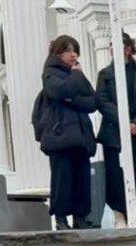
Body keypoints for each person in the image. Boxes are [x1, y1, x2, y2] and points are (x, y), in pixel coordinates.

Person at [96, 33, 136, 227]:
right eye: (111, 47)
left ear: (128, 49)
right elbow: (102, 100)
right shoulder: (105, 75)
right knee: (115, 173)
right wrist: (122, 121)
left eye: (119, 46)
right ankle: (119, 214)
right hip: (113, 134)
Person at [37, 35, 98, 231]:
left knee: (82, 179)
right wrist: (76, 78)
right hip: (60, 136)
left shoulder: (75, 73)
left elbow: (92, 101)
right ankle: (61, 219)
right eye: (69, 50)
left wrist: (73, 99)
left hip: (80, 136)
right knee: (62, 178)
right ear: (58, 52)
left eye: (75, 51)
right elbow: (59, 91)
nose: (74, 55)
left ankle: (80, 218)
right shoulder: (50, 73)